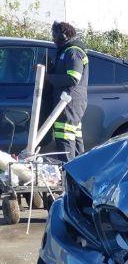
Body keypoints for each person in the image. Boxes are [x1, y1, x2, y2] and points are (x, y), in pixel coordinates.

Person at [45, 21, 88, 161]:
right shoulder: (66, 51)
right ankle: (78, 175)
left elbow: (73, 78)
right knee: (74, 140)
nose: (53, 38)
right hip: (68, 102)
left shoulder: (73, 52)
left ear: (63, 35)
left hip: (69, 103)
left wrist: (48, 78)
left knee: (65, 140)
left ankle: (68, 176)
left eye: (54, 35)